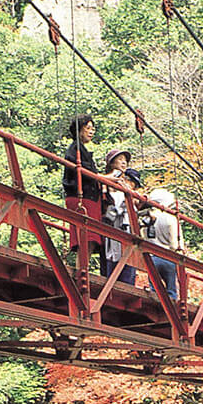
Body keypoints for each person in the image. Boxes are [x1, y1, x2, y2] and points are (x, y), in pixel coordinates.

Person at [62, 114, 103, 266]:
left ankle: (82, 268)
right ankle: (82, 269)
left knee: (88, 237)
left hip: (86, 197)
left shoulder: (80, 149)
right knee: (87, 236)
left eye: (93, 129)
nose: (91, 132)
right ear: (79, 130)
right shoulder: (75, 149)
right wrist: (104, 178)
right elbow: (84, 172)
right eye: (88, 128)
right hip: (83, 198)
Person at [102, 148, 138, 283]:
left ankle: (125, 285)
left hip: (125, 222)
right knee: (115, 255)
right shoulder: (109, 180)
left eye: (125, 160)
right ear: (111, 163)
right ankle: (114, 286)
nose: (124, 163)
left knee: (127, 256)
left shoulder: (124, 182)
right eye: (120, 159)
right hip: (114, 222)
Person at [143, 188, 183, 303]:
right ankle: (172, 309)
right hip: (168, 257)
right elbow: (174, 243)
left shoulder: (146, 218)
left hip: (152, 257)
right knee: (171, 291)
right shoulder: (170, 218)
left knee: (154, 289)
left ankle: (155, 307)